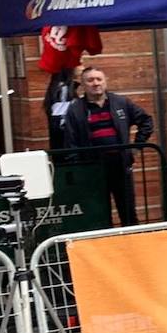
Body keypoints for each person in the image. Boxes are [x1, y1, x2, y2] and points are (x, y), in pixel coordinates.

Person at [61, 66, 154, 226]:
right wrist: (78, 169)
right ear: (83, 85)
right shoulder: (75, 110)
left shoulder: (121, 102)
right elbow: (71, 142)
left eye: (99, 79)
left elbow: (146, 121)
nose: (95, 83)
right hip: (93, 169)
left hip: (120, 165)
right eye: (90, 80)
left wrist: (136, 147)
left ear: (105, 82)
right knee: (99, 215)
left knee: (128, 213)